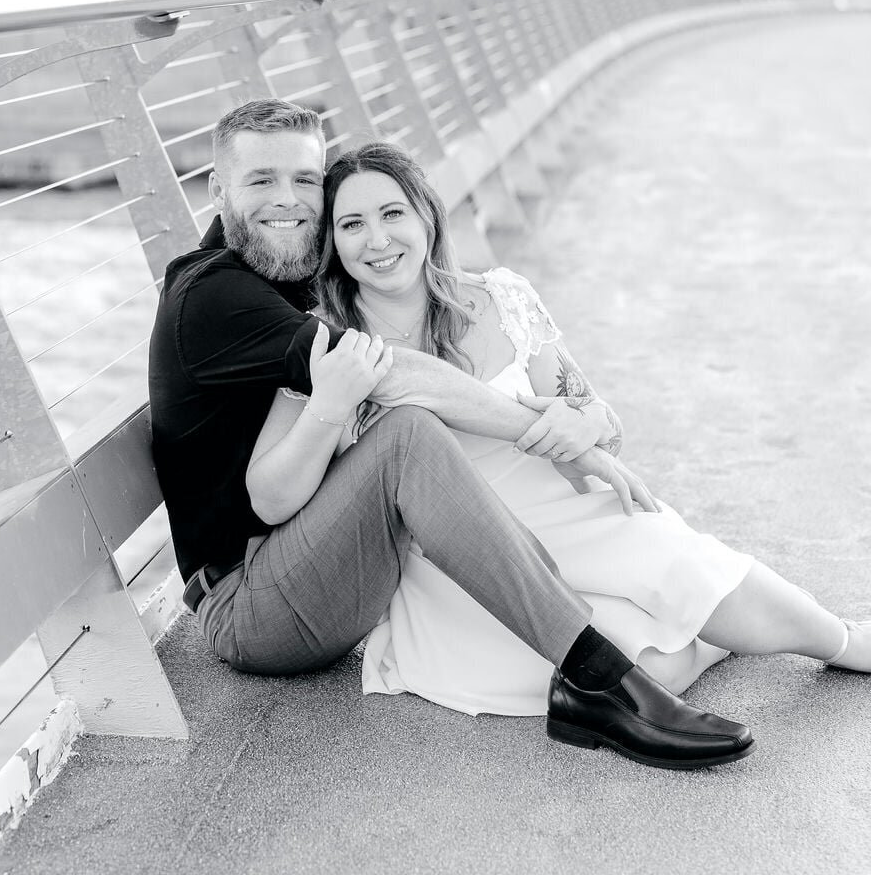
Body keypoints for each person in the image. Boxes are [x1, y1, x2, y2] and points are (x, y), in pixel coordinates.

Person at [149, 98, 758, 772]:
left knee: (438, 449)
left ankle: (642, 636)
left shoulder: (286, 278)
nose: (288, 200)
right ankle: (598, 680)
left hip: (308, 557)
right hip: (253, 604)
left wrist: (580, 423)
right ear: (216, 189)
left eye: (304, 180)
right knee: (409, 431)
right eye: (260, 180)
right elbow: (396, 375)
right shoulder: (213, 293)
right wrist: (552, 435)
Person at [248, 137, 869, 723]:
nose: (378, 240)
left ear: (427, 219)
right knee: (645, 669)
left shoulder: (499, 299)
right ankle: (717, 637)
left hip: (569, 512)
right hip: (463, 565)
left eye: (393, 213)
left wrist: (583, 424)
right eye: (352, 225)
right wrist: (328, 404)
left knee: (689, 573)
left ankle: (839, 642)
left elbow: (600, 420)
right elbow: (270, 494)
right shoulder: (323, 340)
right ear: (332, 243)